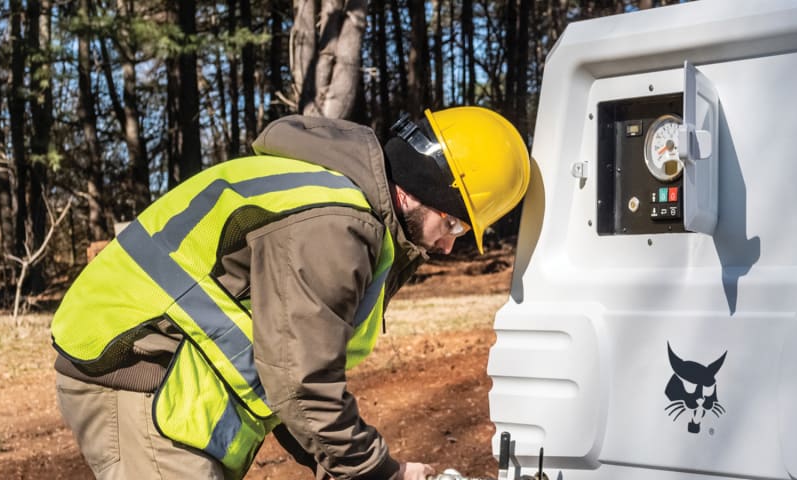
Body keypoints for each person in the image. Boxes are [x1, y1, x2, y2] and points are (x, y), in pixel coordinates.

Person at [49, 106, 532, 479]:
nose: (448, 246)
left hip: (158, 362)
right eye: (452, 224)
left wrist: (350, 466)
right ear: (413, 192)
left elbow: (286, 366)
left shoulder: (337, 202)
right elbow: (299, 379)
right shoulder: (336, 226)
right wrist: (379, 471)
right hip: (134, 365)